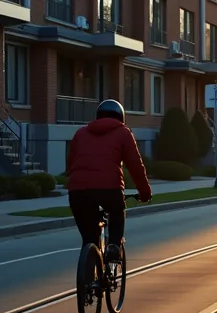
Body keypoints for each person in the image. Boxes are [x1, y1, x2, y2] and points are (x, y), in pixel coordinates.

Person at [65, 99, 152, 263]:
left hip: (78, 191)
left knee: (89, 238)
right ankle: (114, 245)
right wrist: (145, 193)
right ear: (121, 117)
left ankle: (88, 272)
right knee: (117, 211)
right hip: (109, 189)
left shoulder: (81, 133)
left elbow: (71, 164)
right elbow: (135, 166)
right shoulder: (123, 133)